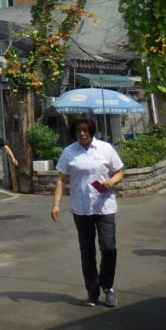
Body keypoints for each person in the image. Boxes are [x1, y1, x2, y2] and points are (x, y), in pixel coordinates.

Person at [51, 116, 124, 308]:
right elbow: (61, 180)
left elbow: (120, 171)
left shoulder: (105, 148)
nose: (82, 134)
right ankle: (92, 292)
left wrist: (112, 181)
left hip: (104, 206)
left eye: (85, 130)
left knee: (109, 248)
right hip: (81, 208)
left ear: (92, 130)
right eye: (78, 131)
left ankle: (107, 286)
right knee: (87, 251)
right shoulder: (69, 152)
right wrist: (56, 204)